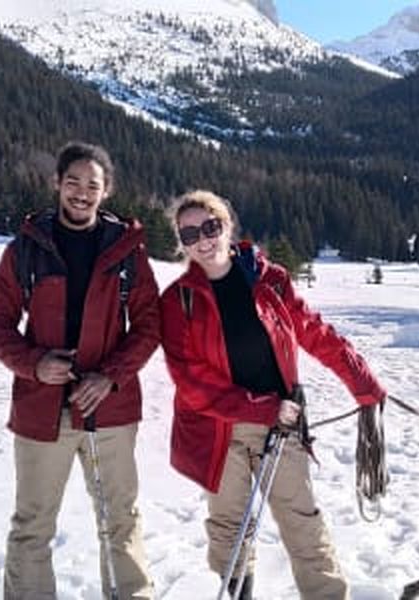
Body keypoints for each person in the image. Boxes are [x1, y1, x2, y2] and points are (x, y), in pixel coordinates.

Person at [159, 190, 387, 599]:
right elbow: (190, 380)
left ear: (226, 224)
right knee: (229, 525)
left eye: (210, 227)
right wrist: (262, 408)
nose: (203, 239)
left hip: (280, 427)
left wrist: (362, 383)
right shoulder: (178, 301)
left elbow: (314, 332)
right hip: (216, 429)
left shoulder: (271, 279)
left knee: (302, 521)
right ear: (182, 242)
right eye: (190, 233)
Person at [0, 141, 160, 600]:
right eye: (73, 182)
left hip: (111, 411)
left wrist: (112, 375)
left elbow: (148, 324)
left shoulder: (127, 252)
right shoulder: (26, 249)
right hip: (43, 413)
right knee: (32, 527)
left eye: (92, 185)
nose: (82, 193)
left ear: (107, 192)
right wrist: (34, 364)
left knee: (120, 521)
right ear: (57, 183)